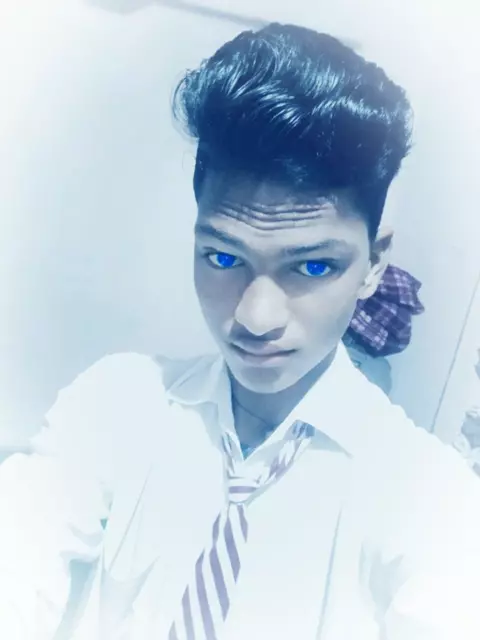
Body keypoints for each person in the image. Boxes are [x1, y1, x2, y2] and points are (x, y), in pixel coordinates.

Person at [1, 23, 480, 640]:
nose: (255, 318)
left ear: (374, 264)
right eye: (223, 258)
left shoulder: (431, 499)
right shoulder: (117, 404)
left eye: (313, 267)